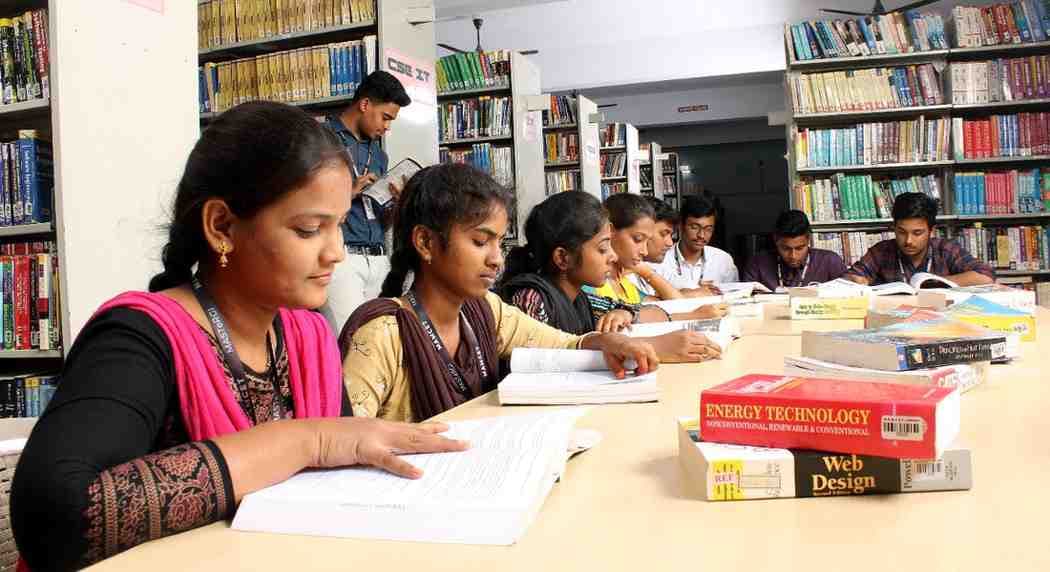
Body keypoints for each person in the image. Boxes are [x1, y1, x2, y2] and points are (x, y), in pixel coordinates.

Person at [9, 103, 468, 571]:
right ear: (222, 227)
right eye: (310, 229)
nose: (336, 254)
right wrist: (305, 442)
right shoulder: (139, 336)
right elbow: (55, 516)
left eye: (339, 226)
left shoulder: (308, 335)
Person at [339, 164, 659, 423]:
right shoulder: (382, 335)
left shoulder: (485, 310)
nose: (496, 259)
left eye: (500, 243)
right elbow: (349, 442)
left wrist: (604, 341)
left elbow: (563, 344)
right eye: (480, 242)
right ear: (425, 242)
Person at [498, 192, 723, 363]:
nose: (612, 256)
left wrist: (625, 312)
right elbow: (541, 365)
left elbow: (635, 312)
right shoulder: (531, 299)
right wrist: (655, 347)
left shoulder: (580, 298)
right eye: (603, 248)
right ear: (563, 258)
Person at [324, 70, 412, 331]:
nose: (387, 127)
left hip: (379, 259)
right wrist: (347, 192)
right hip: (343, 258)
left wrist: (395, 206)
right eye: (385, 117)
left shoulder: (379, 154)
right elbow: (302, 199)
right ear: (364, 105)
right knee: (352, 343)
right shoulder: (322, 139)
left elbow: (375, 214)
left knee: (381, 341)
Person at [585, 194, 728, 332]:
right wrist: (693, 315)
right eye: (638, 239)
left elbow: (654, 310)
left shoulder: (623, 283)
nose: (644, 251)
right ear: (610, 232)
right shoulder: (594, 283)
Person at [845, 193, 994, 286]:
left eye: (917, 233)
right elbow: (848, 279)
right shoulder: (881, 251)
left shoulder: (946, 249)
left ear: (931, 231)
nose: (908, 240)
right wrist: (855, 281)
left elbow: (985, 276)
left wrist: (940, 283)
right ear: (894, 228)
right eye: (902, 232)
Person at [631, 197, 719, 299]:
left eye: (670, 235)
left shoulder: (656, 266)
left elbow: (687, 288)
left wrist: (690, 291)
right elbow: (651, 305)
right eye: (663, 234)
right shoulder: (622, 275)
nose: (670, 243)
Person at [741, 209, 847, 291]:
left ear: (808, 239)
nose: (793, 256)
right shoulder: (757, 263)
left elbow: (849, 296)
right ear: (775, 240)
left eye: (800, 248)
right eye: (785, 248)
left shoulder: (830, 261)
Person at [653, 194, 739, 288]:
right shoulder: (661, 259)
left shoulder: (723, 260)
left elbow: (734, 297)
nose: (701, 235)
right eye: (694, 227)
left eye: (708, 229)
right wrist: (694, 291)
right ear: (681, 226)